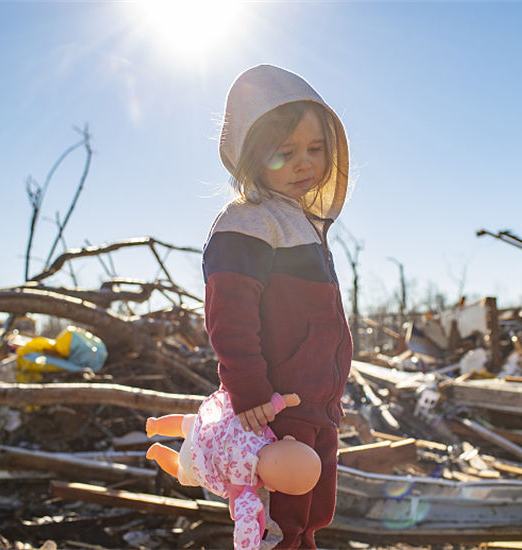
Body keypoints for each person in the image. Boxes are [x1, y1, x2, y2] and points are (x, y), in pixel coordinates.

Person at [202, 64, 353, 548]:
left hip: (315, 407)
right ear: (252, 156)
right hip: (273, 410)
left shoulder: (303, 224)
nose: (304, 164)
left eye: (316, 149)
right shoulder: (248, 222)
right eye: (285, 153)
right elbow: (230, 317)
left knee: (312, 516)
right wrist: (249, 392)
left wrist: (330, 397)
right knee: (277, 523)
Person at [145, 390, 321, 550]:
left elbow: (268, 409)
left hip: (205, 433)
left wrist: (284, 401)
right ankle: (158, 453)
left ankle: (156, 425)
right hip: (196, 464)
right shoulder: (245, 483)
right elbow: (246, 520)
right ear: (272, 487)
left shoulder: (257, 430)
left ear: (288, 440)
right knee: (182, 474)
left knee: (186, 422)